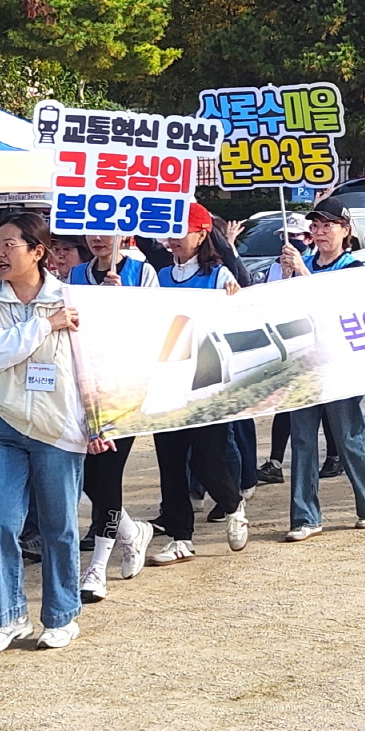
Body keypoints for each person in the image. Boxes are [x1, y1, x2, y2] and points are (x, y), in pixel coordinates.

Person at [0, 212, 95, 653]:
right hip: (4, 424)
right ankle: (9, 617)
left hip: (58, 425)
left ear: (37, 251)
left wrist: (98, 423)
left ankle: (62, 614)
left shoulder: (73, 298)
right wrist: (45, 324)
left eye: (9, 245)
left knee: (59, 526)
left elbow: (92, 365)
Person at [146, 203, 249, 566]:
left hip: (207, 383)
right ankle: (179, 536)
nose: (173, 239)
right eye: (170, 232)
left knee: (207, 459)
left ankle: (233, 503)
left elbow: (238, 318)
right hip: (168, 380)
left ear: (202, 233)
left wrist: (235, 301)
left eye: (181, 231)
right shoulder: (159, 275)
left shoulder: (219, 276)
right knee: (170, 461)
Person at [276, 205, 365, 540]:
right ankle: (305, 516)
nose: (321, 231)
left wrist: (302, 274)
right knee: (304, 440)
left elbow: (335, 307)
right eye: (316, 225)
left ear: (345, 230)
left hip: (338, 365)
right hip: (303, 365)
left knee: (349, 436)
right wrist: (286, 276)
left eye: (329, 225)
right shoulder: (297, 263)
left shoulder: (353, 267)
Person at [67, 234, 158, 601]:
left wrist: (123, 303)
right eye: (92, 229)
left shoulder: (142, 272)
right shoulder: (74, 276)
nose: (99, 238)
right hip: (82, 392)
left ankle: (97, 568)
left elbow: (158, 325)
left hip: (125, 390)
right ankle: (132, 533)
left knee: (109, 473)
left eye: (107, 230)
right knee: (90, 477)